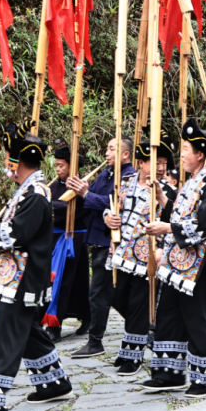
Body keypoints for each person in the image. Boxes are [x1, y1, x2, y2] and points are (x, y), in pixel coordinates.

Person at [0, 121, 72, 411]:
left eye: (8, 156)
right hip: (16, 278)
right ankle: (54, 383)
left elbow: (15, 235)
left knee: (4, 337)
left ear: (16, 160)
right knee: (28, 334)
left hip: (22, 280)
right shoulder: (27, 190)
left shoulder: (35, 193)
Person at [140, 119, 206, 397]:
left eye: (185, 149)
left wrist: (167, 228)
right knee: (168, 316)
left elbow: (205, 226)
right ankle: (169, 373)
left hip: (200, 267)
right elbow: (180, 217)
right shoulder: (192, 182)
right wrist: (163, 200)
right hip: (176, 264)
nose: (181, 155)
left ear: (200, 155)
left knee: (198, 319)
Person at [107, 142, 174, 374]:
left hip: (147, 256)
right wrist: (109, 218)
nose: (161, 168)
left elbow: (171, 221)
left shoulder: (166, 191)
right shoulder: (124, 185)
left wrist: (162, 248)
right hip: (121, 253)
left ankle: (131, 356)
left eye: (165, 163)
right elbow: (112, 207)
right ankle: (146, 328)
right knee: (116, 297)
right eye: (157, 163)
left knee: (137, 304)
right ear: (142, 163)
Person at [69, 137, 135, 358]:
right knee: (114, 295)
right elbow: (95, 198)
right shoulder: (106, 173)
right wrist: (83, 190)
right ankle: (149, 330)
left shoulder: (128, 176)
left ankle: (95, 341)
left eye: (111, 149)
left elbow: (115, 203)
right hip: (97, 238)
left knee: (98, 293)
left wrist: (86, 194)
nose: (106, 153)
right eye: (106, 148)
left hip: (112, 242)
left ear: (125, 154)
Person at [42, 140, 89, 342]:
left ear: (72, 167)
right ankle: (62, 320)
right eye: (57, 165)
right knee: (62, 281)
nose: (58, 169)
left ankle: (58, 324)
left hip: (73, 237)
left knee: (68, 282)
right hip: (55, 236)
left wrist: (47, 207)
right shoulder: (53, 185)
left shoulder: (81, 185)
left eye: (62, 165)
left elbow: (68, 207)